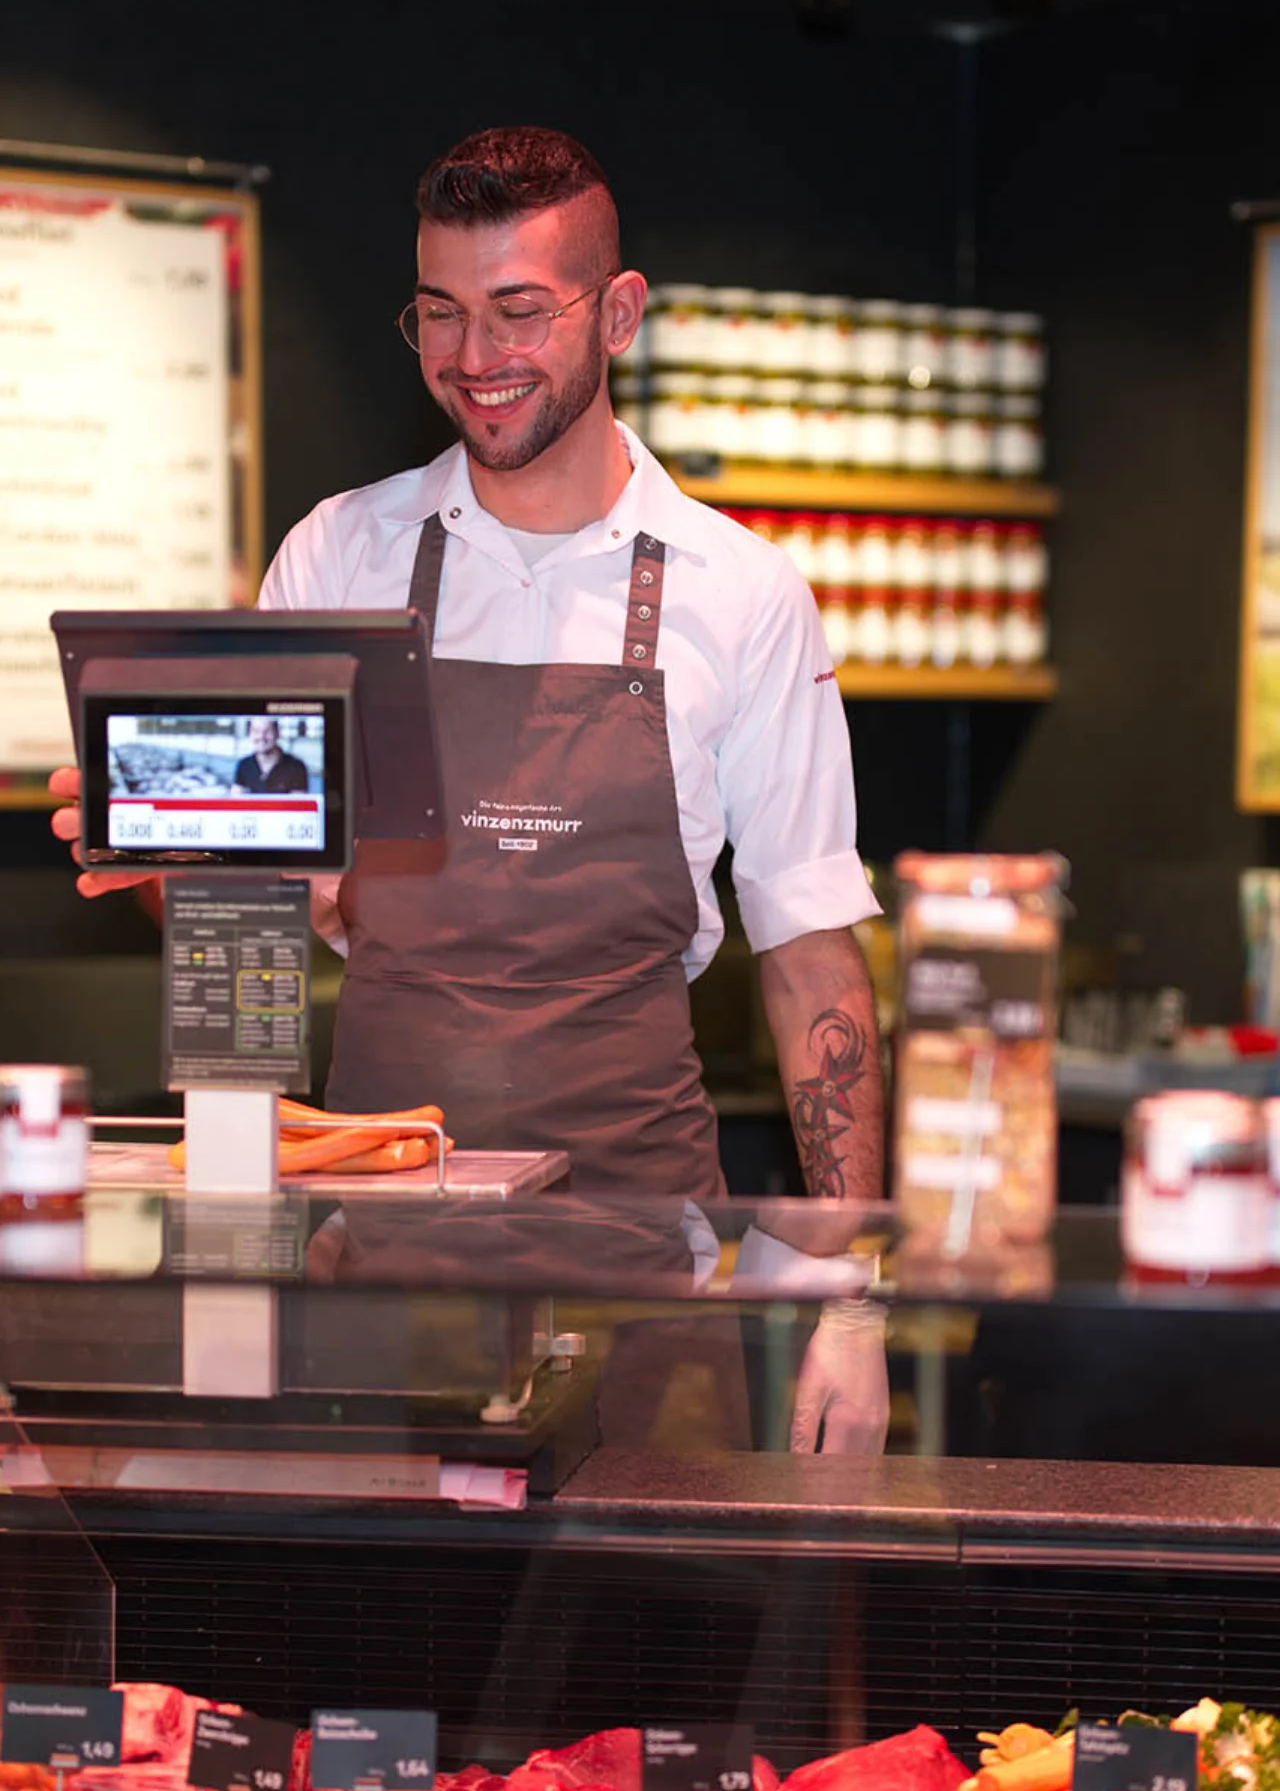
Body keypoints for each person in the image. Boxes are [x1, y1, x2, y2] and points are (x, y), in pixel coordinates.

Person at [51, 124, 884, 1202]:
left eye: (518, 310)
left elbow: (810, 955)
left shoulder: (741, 591)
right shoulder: (340, 556)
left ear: (618, 314)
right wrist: (178, 866)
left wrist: (849, 1266)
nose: (475, 357)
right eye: (440, 312)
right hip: (379, 1220)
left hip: (642, 1231)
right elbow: (252, 927)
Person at [231, 717, 310, 794]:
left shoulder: (296, 767)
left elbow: (298, 802)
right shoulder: (244, 765)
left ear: (277, 733)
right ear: (250, 735)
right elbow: (236, 798)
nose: (261, 736)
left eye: (267, 731)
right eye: (256, 731)